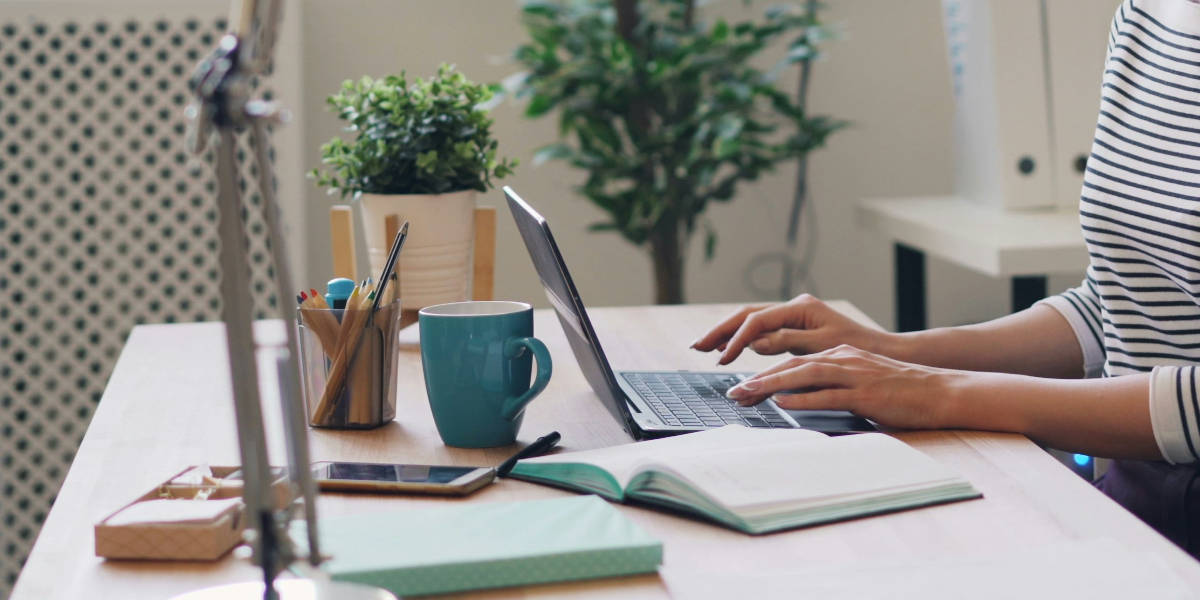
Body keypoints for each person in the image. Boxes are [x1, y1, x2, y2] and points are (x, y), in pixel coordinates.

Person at [692, 0, 1200, 558]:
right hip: (1136, 505)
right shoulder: (1148, 14)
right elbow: (1118, 304)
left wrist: (941, 394)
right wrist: (891, 352)